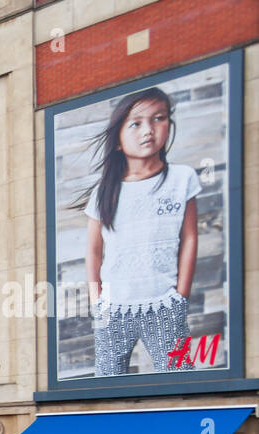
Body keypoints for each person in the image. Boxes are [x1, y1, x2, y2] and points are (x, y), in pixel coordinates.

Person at [81, 87, 200, 377]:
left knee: (180, 377)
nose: (148, 130)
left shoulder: (182, 178)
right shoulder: (105, 191)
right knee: (107, 384)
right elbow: (94, 251)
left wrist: (180, 296)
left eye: (158, 118)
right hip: (113, 308)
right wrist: (98, 302)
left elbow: (190, 238)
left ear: (169, 124)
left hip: (165, 303)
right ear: (119, 139)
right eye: (136, 123)